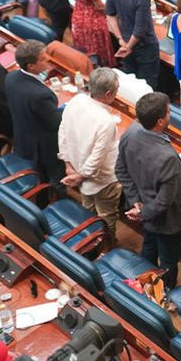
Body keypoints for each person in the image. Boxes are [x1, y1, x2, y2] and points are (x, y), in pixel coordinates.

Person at [117, 92, 181, 286]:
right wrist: (142, 212)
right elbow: (164, 202)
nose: (170, 115)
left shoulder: (131, 131)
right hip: (167, 220)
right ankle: (164, 290)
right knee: (168, 260)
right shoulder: (166, 157)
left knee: (149, 246)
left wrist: (136, 203)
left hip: (144, 208)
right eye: (168, 112)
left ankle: (145, 282)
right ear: (160, 122)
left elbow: (120, 169)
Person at [57, 68, 122, 244]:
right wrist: (80, 175)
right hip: (103, 180)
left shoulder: (76, 100)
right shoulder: (106, 122)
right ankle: (107, 244)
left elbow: (62, 132)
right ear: (109, 93)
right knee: (107, 215)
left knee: (87, 209)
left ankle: (89, 241)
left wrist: (68, 165)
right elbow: (96, 158)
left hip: (77, 169)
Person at [3, 39, 64, 183]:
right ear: (31, 66)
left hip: (23, 135)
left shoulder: (10, 77)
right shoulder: (40, 95)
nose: (48, 60)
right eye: (43, 59)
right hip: (44, 146)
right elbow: (56, 122)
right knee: (56, 179)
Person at [107, 0, 160, 85]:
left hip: (124, 41)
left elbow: (110, 15)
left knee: (130, 80)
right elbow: (139, 30)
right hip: (144, 46)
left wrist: (121, 40)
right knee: (147, 84)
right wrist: (128, 47)